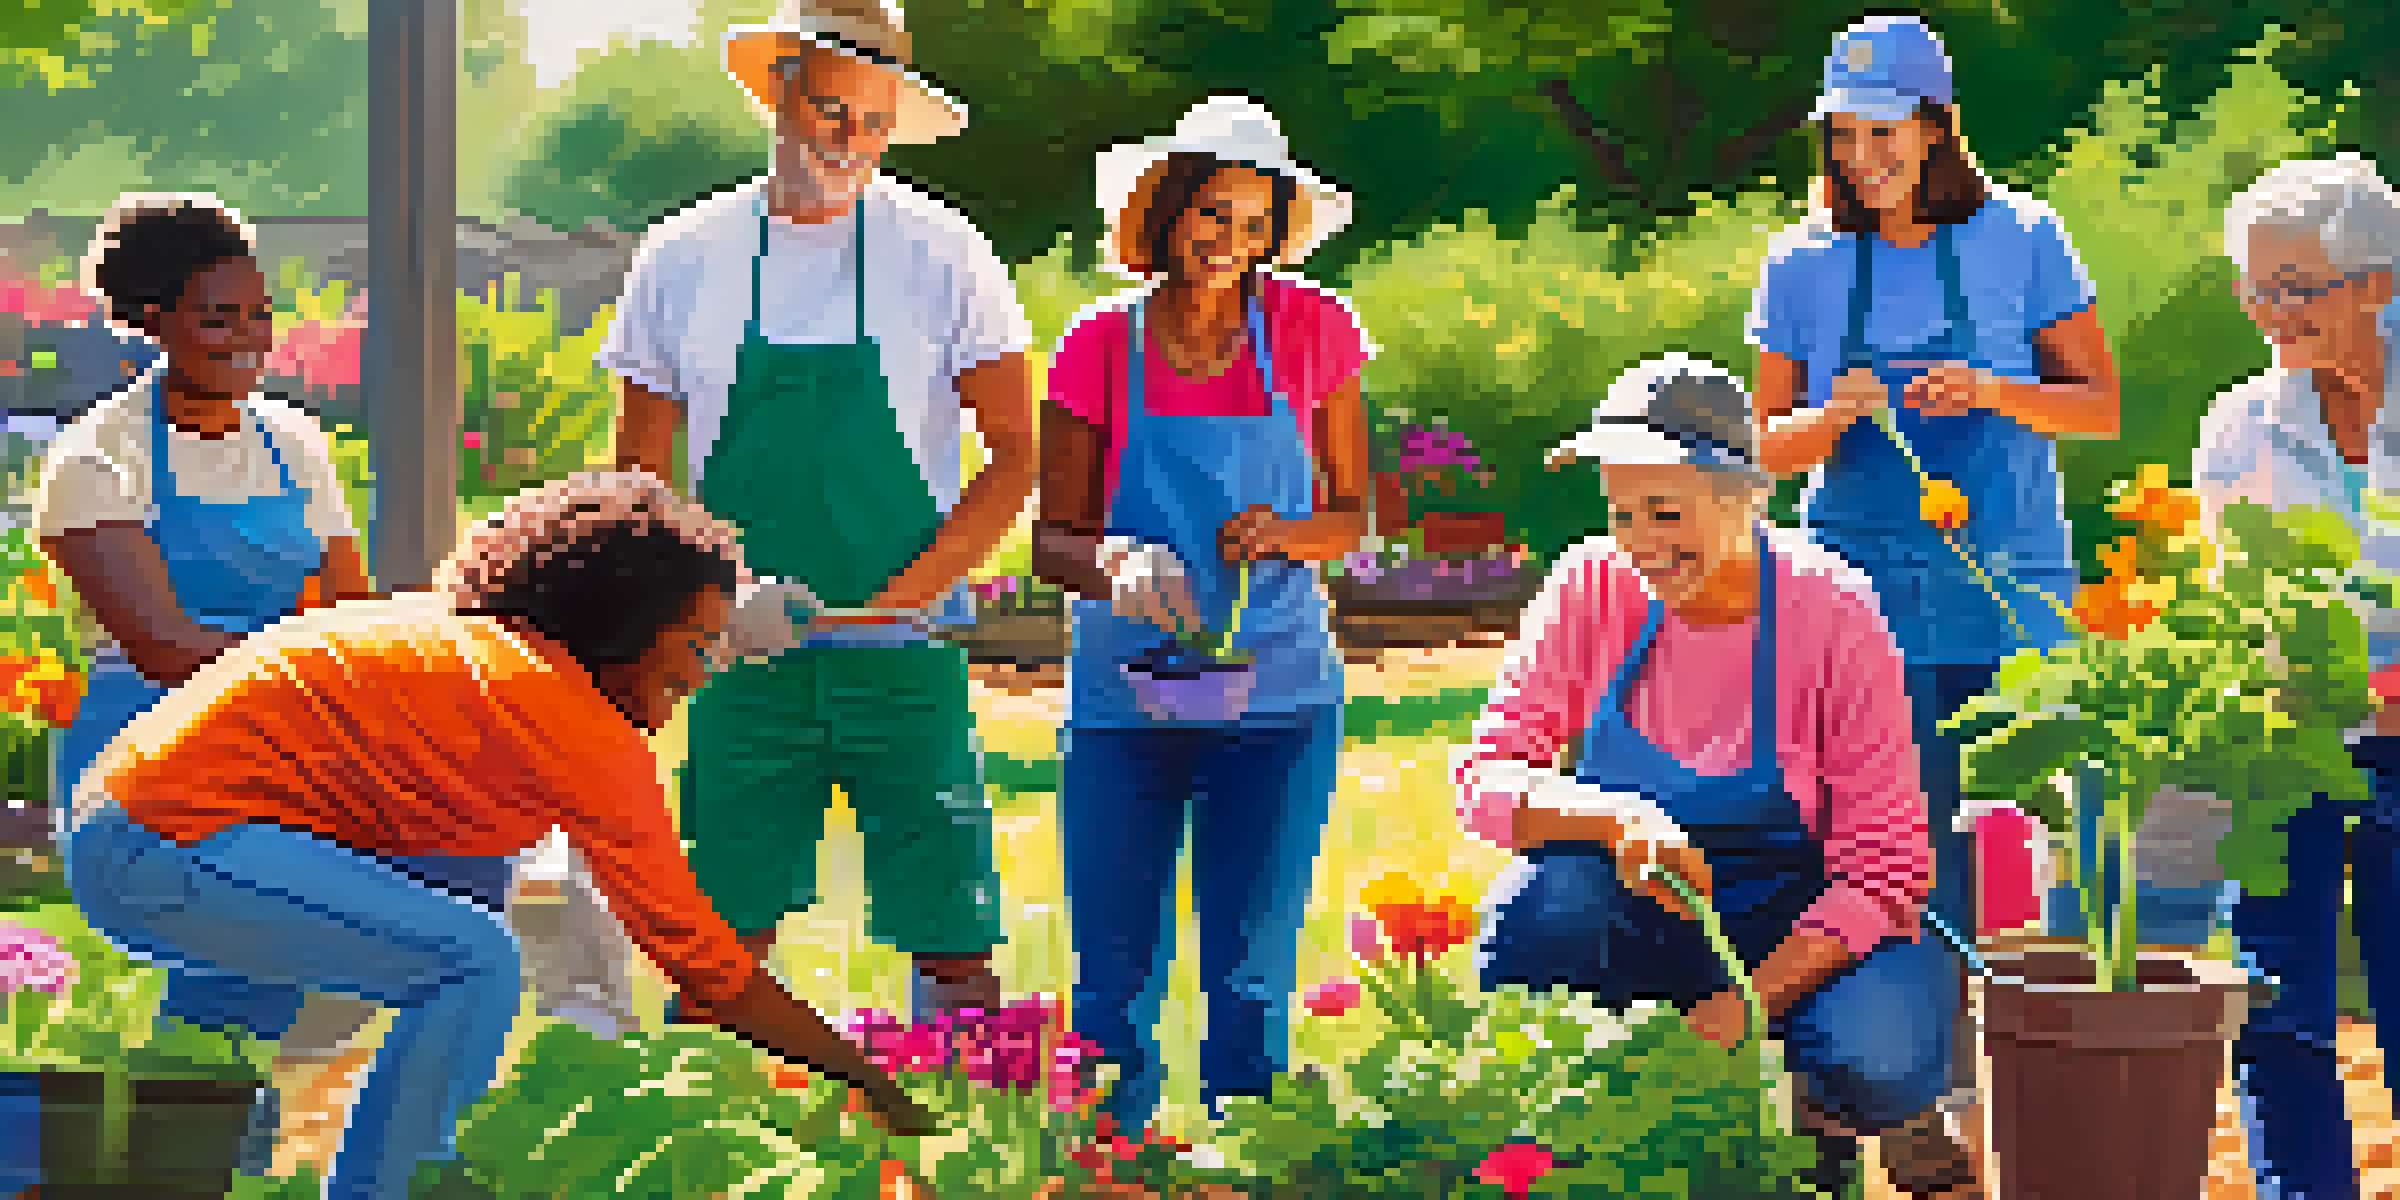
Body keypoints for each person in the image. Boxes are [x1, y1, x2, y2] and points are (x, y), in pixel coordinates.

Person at [60, 473, 939, 1200]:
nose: (705, 673)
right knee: (469, 958)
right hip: (169, 846)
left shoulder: (487, 660)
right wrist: (867, 1076)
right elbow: (707, 968)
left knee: (460, 896)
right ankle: (391, 1187)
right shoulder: (573, 724)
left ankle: (194, 1164)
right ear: (624, 625)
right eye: (695, 644)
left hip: (145, 828)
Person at [602, 0, 1036, 1026]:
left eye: (874, 122)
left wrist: (903, 600)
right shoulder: (682, 256)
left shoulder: (944, 253)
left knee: (955, 945)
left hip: (905, 659)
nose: (849, 141)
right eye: (831, 110)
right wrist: (716, 600)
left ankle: (965, 1158)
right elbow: (639, 482)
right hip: (746, 664)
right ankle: (703, 1156)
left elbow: (1017, 455)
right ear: (778, 90)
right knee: (720, 947)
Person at [1457, 356, 1979, 1198]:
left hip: (1813, 919)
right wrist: (1612, 819)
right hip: (1651, 915)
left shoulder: (1834, 613)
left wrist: (1748, 1004)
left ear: (1746, 494)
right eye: (1623, 512)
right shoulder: (1592, 587)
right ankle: (1587, 1134)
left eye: (1667, 512)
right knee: (1541, 912)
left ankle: (1849, 1107)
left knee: (1877, 1055)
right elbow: (1489, 776)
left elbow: (1884, 869)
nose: (1641, 543)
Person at [1744, 12, 2123, 1124]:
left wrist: (1995, 390)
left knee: (2070, 831)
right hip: (1861, 598)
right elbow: (1760, 447)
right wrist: (1832, 416)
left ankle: (2078, 1068)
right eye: (1844, 136)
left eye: (1883, 133)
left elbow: (2098, 406)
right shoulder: (1804, 263)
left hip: (2012, 590)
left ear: (1936, 126)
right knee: (1900, 850)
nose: (1862, 159)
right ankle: (1927, 1096)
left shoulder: (2027, 236)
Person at [1032, 94, 1372, 1133]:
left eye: (1256, 221)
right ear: (1166, 209)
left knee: (1250, 981)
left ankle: (1247, 1157)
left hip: (1277, 702)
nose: (1231, 241)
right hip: (1122, 709)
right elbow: (1054, 540)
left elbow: (1352, 516)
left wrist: (1284, 534)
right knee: (1110, 990)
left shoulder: (1314, 330)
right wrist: (1118, 560)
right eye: (1211, 213)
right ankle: (1108, 1166)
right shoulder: (1098, 345)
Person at [2195, 153, 2400, 1200]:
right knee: (2274, 1012)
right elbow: (2236, 600)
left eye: (2298, 289)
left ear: (2379, 283)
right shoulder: (2239, 428)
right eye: (2257, 288)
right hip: (2290, 745)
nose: (2271, 312)